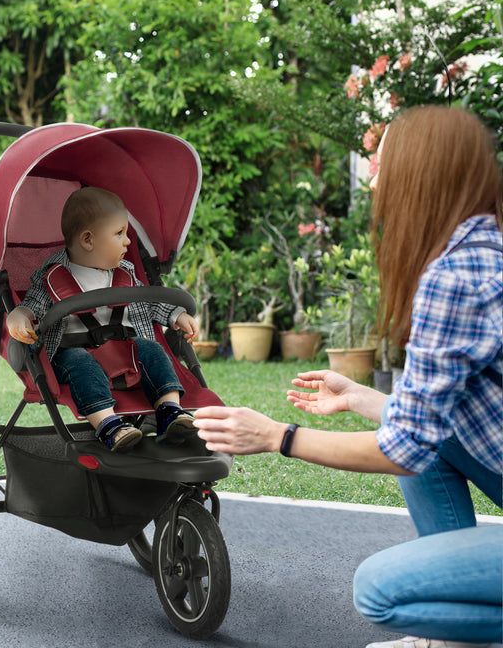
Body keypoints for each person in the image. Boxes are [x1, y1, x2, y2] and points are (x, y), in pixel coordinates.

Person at [193, 106, 502, 647]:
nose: (376, 183)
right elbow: (430, 421)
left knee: (380, 591)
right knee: (423, 428)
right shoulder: (483, 250)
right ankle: (452, 638)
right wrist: (361, 397)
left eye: (383, 168)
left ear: (420, 177)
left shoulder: (454, 277)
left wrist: (276, 438)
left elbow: (404, 448)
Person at [7, 186, 199, 452]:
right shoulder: (53, 276)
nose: (128, 241)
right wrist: (18, 317)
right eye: (119, 233)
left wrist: (176, 315)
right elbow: (32, 306)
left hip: (124, 349)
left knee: (154, 351)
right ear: (88, 240)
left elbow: (150, 301)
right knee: (80, 363)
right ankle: (108, 424)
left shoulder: (126, 273)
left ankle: (169, 411)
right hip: (73, 352)